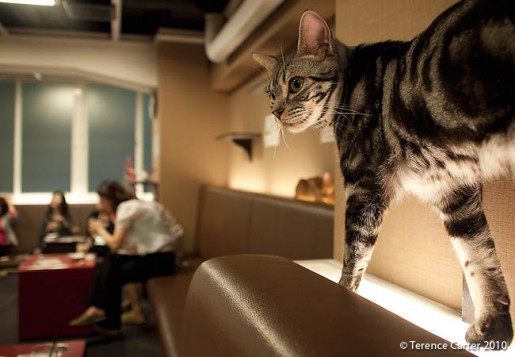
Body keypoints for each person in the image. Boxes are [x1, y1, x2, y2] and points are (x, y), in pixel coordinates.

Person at [69, 180, 183, 335]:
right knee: (112, 261)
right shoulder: (144, 204)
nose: (100, 206)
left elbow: (115, 244)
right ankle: (100, 311)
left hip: (161, 261)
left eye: (102, 201)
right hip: (166, 258)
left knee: (113, 272)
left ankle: (107, 320)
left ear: (109, 200)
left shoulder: (125, 208)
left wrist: (99, 229)